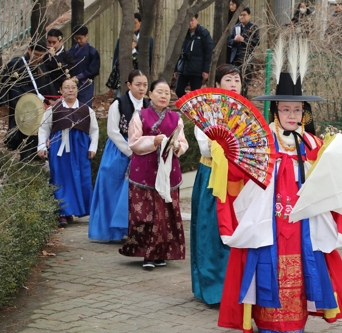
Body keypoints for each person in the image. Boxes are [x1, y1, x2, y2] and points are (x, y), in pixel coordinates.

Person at [216, 71, 342, 332]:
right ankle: (266, 325)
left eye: (297, 110)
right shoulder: (260, 143)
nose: (291, 115)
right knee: (268, 271)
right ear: (276, 110)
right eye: (286, 109)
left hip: (303, 228)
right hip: (269, 226)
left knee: (301, 275)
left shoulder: (314, 145)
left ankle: (296, 325)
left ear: (304, 113)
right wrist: (230, 153)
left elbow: (335, 184)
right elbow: (237, 178)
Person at [119, 78, 189, 269]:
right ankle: (147, 254)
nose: (164, 96)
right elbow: (134, 142)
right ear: (150, 94)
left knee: (165, 214)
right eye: (159, 91)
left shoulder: (176, 118)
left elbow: (183, 143)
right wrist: (154, 141)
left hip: (168, 172)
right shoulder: (140, 116)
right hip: (145, 171)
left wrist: (176, 146)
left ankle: (160, 253)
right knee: (145, 214)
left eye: (167, 92)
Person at [190, 64, 242, 305]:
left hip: (239, 180)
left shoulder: (245, 112)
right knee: (210, 231)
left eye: (237, 80)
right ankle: (212, 287)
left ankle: (238, 286)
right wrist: (221, 146)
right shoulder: (207, 110)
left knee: (238, 231)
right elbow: (203, 146)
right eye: (228, 79)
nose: (233, 84)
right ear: (218, 84)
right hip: (212, 176)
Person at [88, 70, 149, 241]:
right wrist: (130, 151)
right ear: (129, 85)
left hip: (142, 150)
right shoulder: (119, 104)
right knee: (112, 188)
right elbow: (112, 131)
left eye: (145, 84)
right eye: (138, 84)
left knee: (134, 192)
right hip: (119, 150)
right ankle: (110, 231)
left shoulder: (148, 105)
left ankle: (132, 229)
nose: (142, 88)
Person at [37, 78, 99, 227]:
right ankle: (62, 212)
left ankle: (79, 209)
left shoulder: (86, 110)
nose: (70, 90)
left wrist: (93, 147)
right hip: (60, 149)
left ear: (77, 90)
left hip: (80, 148)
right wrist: (41, 146)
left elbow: (94, 130)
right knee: (61, 178)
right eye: (67, 87)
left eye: (73, 87)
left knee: (81, 177)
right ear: (61, 90)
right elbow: (44, 128)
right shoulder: (53, 109)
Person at [0, 38, 57, 161]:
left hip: (39, 110)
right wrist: (4, 101)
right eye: (36, 54)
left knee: (38, 139)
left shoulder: (41, 66)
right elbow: (7, 84)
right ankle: (25, 164)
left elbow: (47, 86)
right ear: (29, 50)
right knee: (25, 141)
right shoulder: (16, 64)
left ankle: (36, 163)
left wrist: (50, 98)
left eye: (41, 55)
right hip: (23, 109)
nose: (38, 58)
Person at [174, 13, 214, 98]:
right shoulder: (183, 33)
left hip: (197, 69)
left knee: (196, 94)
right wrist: (176, 68)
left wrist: (206, 70)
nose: (190, 23)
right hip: (183, 67)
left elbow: (208, 52)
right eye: (188, 20)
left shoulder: (204, 33)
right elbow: (178, 51)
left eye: (192, 20)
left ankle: (193, 108)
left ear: (197, 20)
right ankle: (186, 106)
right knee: (178, 90)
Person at [227, 7, 259, 98]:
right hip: (235, 58)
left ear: (249, 15)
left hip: (246, 58)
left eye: (244, 15)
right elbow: (228, 41)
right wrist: (234, 40)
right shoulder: (236, 27)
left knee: (245, 81)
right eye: (240, 15)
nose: (242, 17)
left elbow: (256, 42)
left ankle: (243, 98)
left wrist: (244, 40)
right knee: (235, 79)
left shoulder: (253, 27)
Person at [69, 25, 100, 108]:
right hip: (72, 82)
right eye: (76, 38)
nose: (78, 41)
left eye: (80, 38)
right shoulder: (71, 50)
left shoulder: (92, 52)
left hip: (85, 83)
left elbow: (94, 70)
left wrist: (79, 77)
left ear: (87, 36)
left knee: (84, 107)